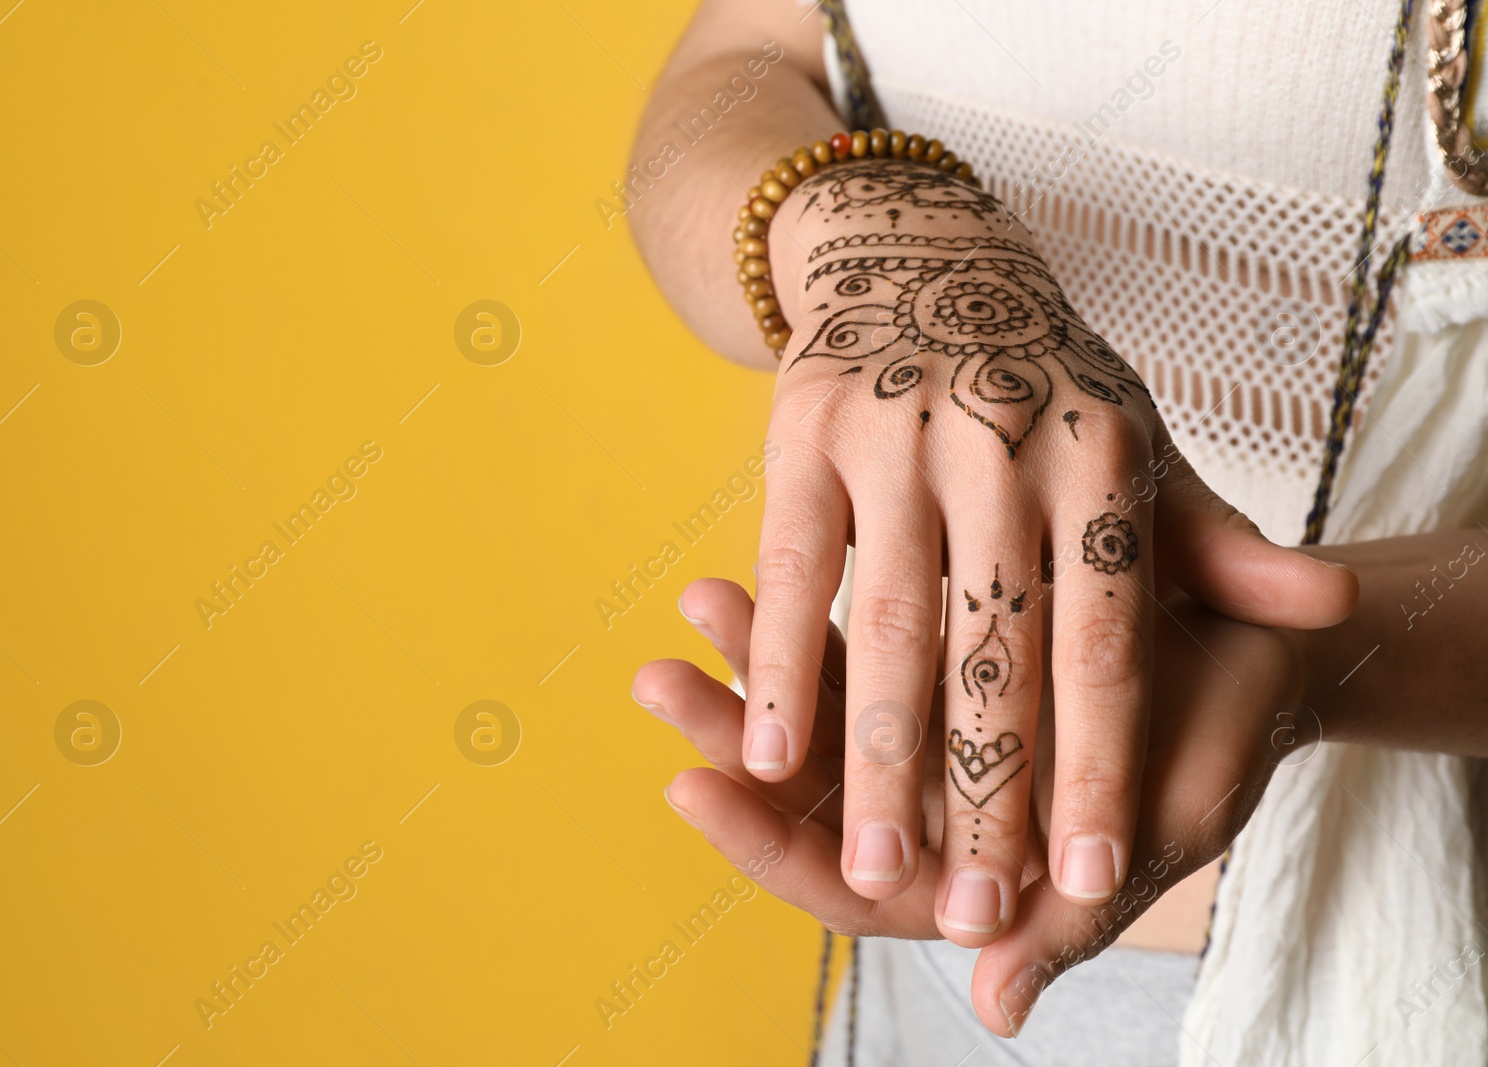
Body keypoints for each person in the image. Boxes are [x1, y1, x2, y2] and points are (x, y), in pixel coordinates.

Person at [629, 0, 1488, 1064]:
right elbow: (743, 57)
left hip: (1335, 974)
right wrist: (872, 231)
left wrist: (1323, 661)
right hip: (916, 923)